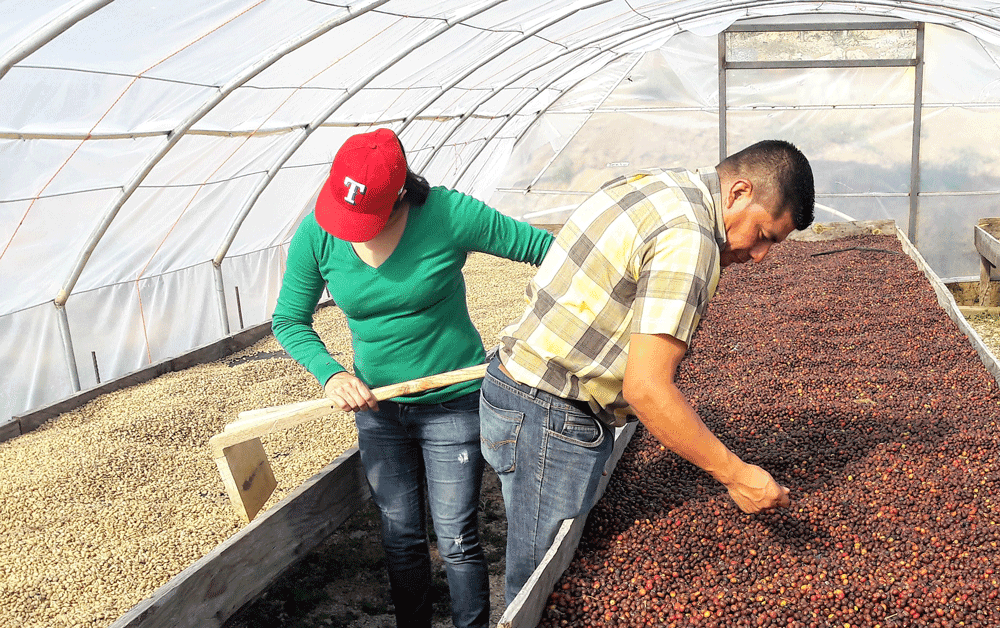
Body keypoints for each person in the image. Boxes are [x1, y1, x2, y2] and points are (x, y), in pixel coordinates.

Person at [479, 139, 815, 605]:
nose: (759, 256)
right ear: (738, 192)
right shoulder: (690, 238)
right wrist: (736, 474)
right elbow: (646, 388)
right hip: (550, 414)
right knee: (539, 589)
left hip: (512, 386)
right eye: (764, 235)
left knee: (541, 564)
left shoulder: (659, 184)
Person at [271, 128, 553, 628]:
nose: (352, 229)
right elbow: (290, 320)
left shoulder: (446, 214)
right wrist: (331, 373)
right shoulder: (318, 232)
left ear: (400, 193)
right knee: (400, 536)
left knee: (457, 537)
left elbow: (548, 251)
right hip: (378, 409)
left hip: (453, 404)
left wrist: (541, 324)